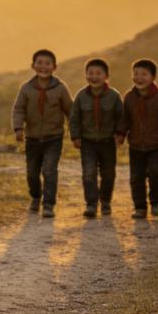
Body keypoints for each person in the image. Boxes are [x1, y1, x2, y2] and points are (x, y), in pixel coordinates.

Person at [12, 49, 72, 218]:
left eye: (47, 63)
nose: (43, 67)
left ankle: (48, 204)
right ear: (33, 66)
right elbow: (18, 109)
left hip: (54, 137)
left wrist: (75, 133)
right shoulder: (27, 88)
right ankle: (36, 198)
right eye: (40, 63)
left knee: (49, 169)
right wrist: (18, 129)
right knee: (32, 171)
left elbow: (70, 111)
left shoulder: (60, 88)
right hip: (32, 138)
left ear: (54, 67)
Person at [120, 58, 158, 219]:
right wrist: (120, 134)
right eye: (136, 74)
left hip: (157, 145)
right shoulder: (129, 97)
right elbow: (125, 119)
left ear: (153, 77)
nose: (139, 77)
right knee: (136, 177)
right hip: (136, 145)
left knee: (156, 173)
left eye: (143, 74)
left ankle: (155, 202)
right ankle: (140, 207)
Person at [69, 58, 124, 218]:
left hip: (108, 142)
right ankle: (91, 204)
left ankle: (105, 201)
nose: (94, 76)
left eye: (98, 73)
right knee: (89, 173)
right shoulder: (81, 96)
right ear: (85, 75)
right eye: (90, 73)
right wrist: (75, 136)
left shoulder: (114, 96)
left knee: (108, 174)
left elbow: (121, 117)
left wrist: (120, 134)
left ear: (106, 76)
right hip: (87, 142)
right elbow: (74, 118)